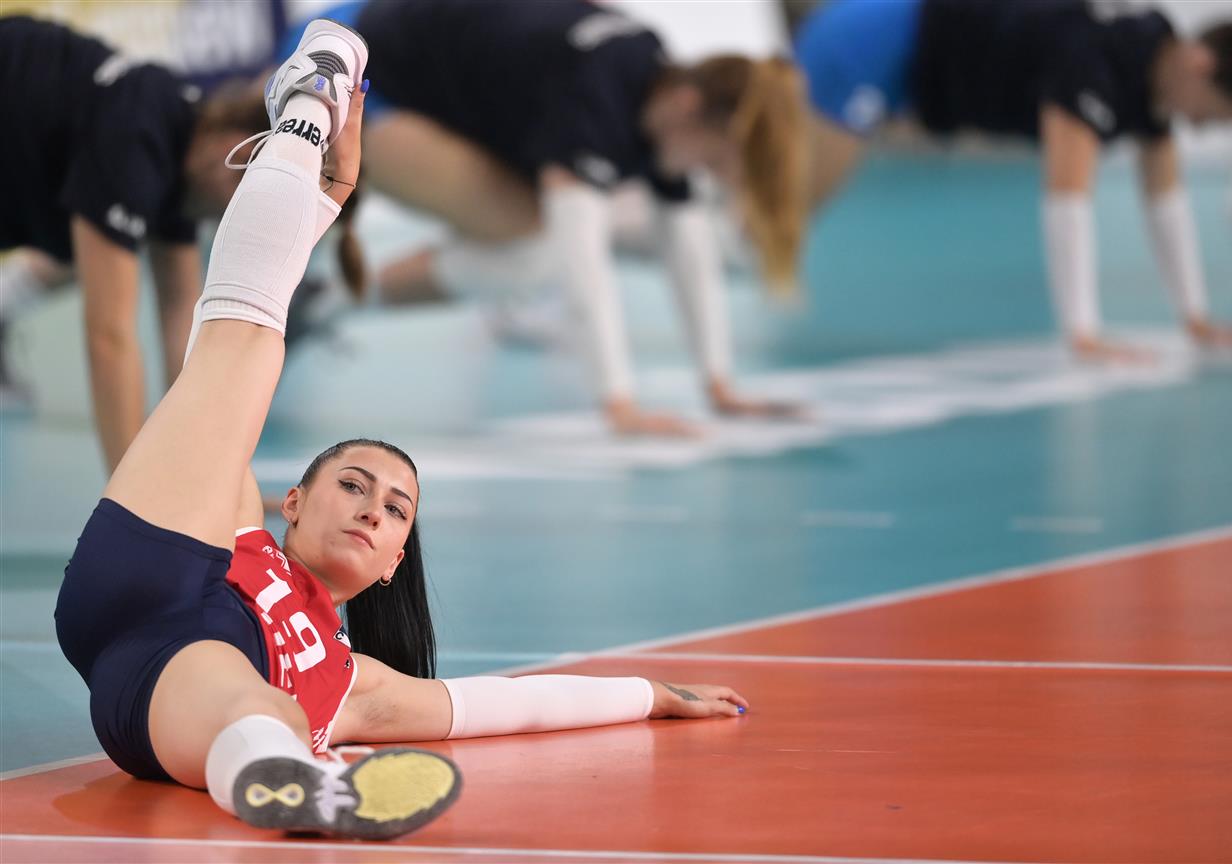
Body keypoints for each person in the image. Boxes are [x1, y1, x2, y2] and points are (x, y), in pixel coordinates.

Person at [54, 18, 748, 841]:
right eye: (352, 485)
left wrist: (650, 697)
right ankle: (305, 107)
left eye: (395, 510)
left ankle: (297, 786)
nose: (371, 510)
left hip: (171, 689)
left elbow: (510, 705)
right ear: (293, 502)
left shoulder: (354, 684)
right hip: (161, 563)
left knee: (256, 704)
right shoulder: (237, 523)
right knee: (243, 349)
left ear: (393, 564)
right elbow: (228, 348)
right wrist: (323, 200)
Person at [279, 0, 810, 437]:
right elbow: (583, 267)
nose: (704, 174)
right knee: (545, 248)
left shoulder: (655, 80)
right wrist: (619, 404)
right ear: (688, 105)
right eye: (712, 159)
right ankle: (326, 299)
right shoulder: (596, 93)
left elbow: (687, 238)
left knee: (537, 242)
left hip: (388, 48)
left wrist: (718, 384)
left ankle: (326, 299)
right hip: (345, 59)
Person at [795, 0, 1232, 361]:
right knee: (791, 207)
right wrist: (1082, 333)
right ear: (1200, 64)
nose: (1199, 128)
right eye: (1212, 115)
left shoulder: (1151, 71)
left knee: (786, 210)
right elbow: (1068, 199)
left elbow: (1166, 202)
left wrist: (1195, 318)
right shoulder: (1094, 65)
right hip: (871, 39)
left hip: (903, 66)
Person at [0, 16, 355, 468]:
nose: (242, 207)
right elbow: (109, 337)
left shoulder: (181, 167)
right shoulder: (138, 141)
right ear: (237, 145)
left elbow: (186, 339)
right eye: (247, 182)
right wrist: (130, 494)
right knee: (106, 258)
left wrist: (214, 479)